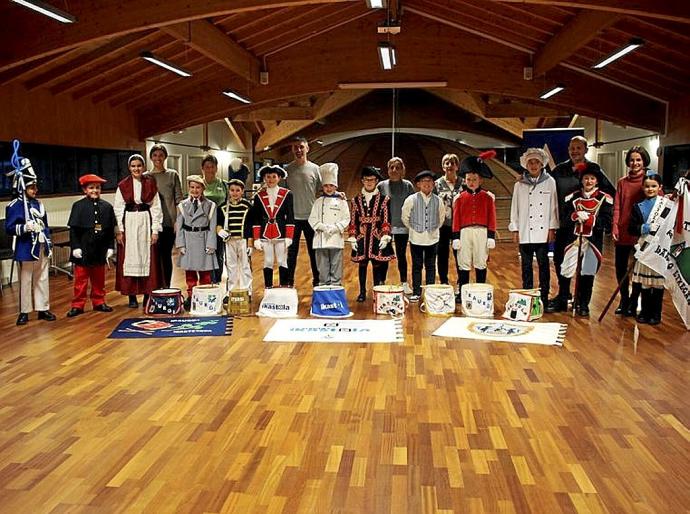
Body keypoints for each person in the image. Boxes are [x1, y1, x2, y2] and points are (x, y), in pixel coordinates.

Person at [548, 136, 616, 312]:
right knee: (562, 262)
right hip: (566, 227)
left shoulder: (595, 171)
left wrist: (597, 221)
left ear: (585, 150)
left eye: (579, 148)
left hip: (591, 233)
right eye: (572, 148)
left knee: (588, 267)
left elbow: (610, 195)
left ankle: (582, 302)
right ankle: (563, 297)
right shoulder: (559, 170)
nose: (575, 151)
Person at [5, 166, 56, 326]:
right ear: (23, 187)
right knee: (26, 280)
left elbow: (45, 224)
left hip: (41, 245)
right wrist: (24, 228)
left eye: (35, 186)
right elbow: (9, 228)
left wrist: (48, 240)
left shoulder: (39, 204)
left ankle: (43, 308)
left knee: (42, 277)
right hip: (26, 247)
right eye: (31, 187)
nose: (35, 190)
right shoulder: (14, 206)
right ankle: (24, 311)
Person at [509, 148, 559, 306]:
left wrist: (552, 228)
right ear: (526, 164)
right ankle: (527, 293)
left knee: (544, 265)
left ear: (542, 164)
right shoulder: (520, 184)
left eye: (536, 162)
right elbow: (514, 207)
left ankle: (544, 295)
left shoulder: (550, 181)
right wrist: (515, 229)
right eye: (530, 162)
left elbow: (554, 206)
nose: (533, 165)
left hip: (543, 231)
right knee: (526, 264)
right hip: (525, 231)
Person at [562, 164, 613, 316]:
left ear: (597, 181)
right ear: (581, 180)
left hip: (593, 241)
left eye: (592, 178)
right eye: (586, 178)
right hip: (574, 240)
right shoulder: (572, 197)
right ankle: (564, 299)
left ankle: (583, 304)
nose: (589, 181)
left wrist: (591, 220)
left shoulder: (605, 198)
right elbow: (564, 217)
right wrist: (574, 216)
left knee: (588, 272)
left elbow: (607, 221)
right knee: (566, 269)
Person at [114, 154, 163, 308]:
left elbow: (156, 207)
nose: (136, 169)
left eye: (139, 166)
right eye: (133, 166)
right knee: (130, 257)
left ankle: (148, 294)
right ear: (129, 168)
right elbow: (118, 208)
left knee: (146, 256)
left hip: (145, 220)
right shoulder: (123, 185)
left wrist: (155, 229)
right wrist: (120, 230)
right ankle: (132, 296)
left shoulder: (150, 183)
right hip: (129, 221)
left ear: (143, 167)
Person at [66, 174, 116, 317]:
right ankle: (78, 305)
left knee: (99, 279)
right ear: (85, 190)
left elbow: (109, 231)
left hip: (100, 249)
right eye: (91, 188)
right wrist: (75, 247)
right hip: (83, 249)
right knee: (80, 280)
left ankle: (99, 301)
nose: (95, 190)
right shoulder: (78, 206)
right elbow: (74, 230)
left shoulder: (107, 207)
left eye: (97, 188)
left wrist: (110, 247)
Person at [451, 153, 497, 301]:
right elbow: (456, 218)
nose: (471, 182)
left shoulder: (488, 197)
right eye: (468, 180)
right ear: (465, 180)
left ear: (480, 180)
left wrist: (491, 236)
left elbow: (492, 217)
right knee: (463, 261)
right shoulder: (459, 197)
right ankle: (463, 292)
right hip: (464, 232)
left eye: (474, 180)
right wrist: (456, 237)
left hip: (482, 231)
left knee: (480, 261)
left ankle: (480, 291)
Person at [612, 146, 650, 316]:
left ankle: (634, 302)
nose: (635, 163)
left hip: (640, 232)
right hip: (623, 230)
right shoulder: (622, 182)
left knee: (637, 269)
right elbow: (618, 206)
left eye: (638, 160)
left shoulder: (649, 180)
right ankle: (624, 299)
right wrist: (615, 226)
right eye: (632, 159)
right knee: (620, 268)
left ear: (644, 161)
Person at [349, 166, 395, 302]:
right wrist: (352, 236)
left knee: (377, 265)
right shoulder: (355, 200)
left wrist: (386, 235)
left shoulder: (384, 199)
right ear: (362, 181)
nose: (369, 182)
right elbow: (353, 221)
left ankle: (376, 290)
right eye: (366, 179)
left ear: (376, 181)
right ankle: (362, 291)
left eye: (372, 179)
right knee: (362, 265)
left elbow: (386, 219)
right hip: (362, 238)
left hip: (377, 237)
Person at [402, 170, 446, 302]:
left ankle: (430, 291)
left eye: (429, 181)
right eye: (423, 181)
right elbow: (405, 217)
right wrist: (414, 228)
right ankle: (416, 291)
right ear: (418, 184)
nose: (426, 184)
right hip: (416, 238)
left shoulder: (438, 201)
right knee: (417, 266)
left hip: (432, 238)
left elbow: (441, 217)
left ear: (433, 184)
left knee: (431, 265)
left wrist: (433, 228)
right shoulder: (411, 199)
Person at [175, 175, 218, 311]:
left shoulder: (210, 205)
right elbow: (179, 226)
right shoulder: (183, 205)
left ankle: (203, 295)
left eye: (198, 187)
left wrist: (211, 244)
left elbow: (212, 226)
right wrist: (181, 244)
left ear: (203, 188)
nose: (195, 190)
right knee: (190, 272)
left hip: (203, 239)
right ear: (188, 188)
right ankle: (191, 296)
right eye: (192, 187)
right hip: (188, 239)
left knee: (205, 272)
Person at [628, 172, 666, 325]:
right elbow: (631, 228)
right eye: (647, 187)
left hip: (659, 247)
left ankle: (656, 314)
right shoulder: (638, 207)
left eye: (654, 186)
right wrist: (644, 227)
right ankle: (644, 311)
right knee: (644, 283)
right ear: (643, 188)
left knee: (657, 284)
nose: (650, 189)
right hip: (644, 245)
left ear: (660, 187)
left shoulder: (666, 205)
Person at [285, 136, 321, 287]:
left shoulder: (315, 169)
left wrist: (337, 195)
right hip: (292, 218)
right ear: (292, 149)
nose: (298, 150)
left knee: (314, 252)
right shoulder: (287, 170)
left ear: (307, 148)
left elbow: (322, 190)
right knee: (291, 253)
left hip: (311, 218)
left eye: (301, 147)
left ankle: (317, 281)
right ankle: (288, 282)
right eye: (295, 147)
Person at [146, 143, 183, 288]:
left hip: (168, 222)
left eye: (161, 155)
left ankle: (166, 286)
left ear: (165, 157)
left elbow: (179, 199)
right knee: (153, 258)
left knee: (166, 256)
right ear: (151, 157)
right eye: (155, 155)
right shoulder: (146, 177)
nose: (158, 158)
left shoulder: (172, 175)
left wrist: (177, 221)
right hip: (151, 224)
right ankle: (154, 286)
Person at [251, 165, 294, 289]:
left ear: (279, 178)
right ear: (264, 178)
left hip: (281, 233)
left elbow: (290, 216)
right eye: (268, 177)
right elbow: (256, 218)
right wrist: (256, 238)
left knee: (282, 261)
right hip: (265, 234)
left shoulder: (287, 194)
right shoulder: (259, 196)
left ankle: (284, 286)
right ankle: (268, 287)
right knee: (268, 261)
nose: (270, 179)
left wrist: (289, 236)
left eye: (274, 176)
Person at [308, 163, 350, 286]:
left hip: (336, 238)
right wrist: (323, 227)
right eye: (326, 186)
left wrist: (335, 228)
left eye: (331, 185)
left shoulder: (342, 202)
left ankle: (336, 286)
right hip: (321, 239)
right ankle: (323, 286)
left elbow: (346, 218)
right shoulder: (318, 201)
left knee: (336, 266)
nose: (329, 188)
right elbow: (312, 219)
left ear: (336, 186)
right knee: (322, 267)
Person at [378, 157, 415, 294]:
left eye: (397, 167)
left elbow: (413, 205)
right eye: (391, 167)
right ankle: (381, 281)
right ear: (387, 170)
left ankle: (404, 282)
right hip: (385, 228)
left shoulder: (408, 185)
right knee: (384, 256)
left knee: (401, 255)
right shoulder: (381, 186)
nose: (394, 170)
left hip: (402, 226)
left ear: (402, 170)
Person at [217, 178, 253, 299]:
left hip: (243, 240)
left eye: (237, 190)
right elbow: (218, 223)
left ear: (242, 191)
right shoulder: (222, 207)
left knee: (245, 266)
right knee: (231, 266)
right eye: (232, 190)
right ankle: (230, 290)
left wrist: (250, 243)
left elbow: (250, 226)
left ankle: (247, 290)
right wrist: (220, 230)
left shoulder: (248, 206)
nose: (235, 193)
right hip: (229, 241)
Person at [435, 153, 463, 288]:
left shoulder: (463, 183)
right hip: (442, 226)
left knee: (460, 254)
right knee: (442, 254)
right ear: (443, 166)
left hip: (460, 225)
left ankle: (461, 282)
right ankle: (444, 281)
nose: (449, 166)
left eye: (452, 163)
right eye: (447, 163)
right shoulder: (436, 184)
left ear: (457, 166)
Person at [201, 154, 228, 283]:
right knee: (205, 254)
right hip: (203, 224)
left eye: (212, 167)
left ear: (216, 168)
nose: (210, 169)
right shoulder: (198, 184)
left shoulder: (224, 185)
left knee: (219, 254)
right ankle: (206, 281)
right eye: (207, 167)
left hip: (219, 224)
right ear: (202, 168)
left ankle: (216, 280)